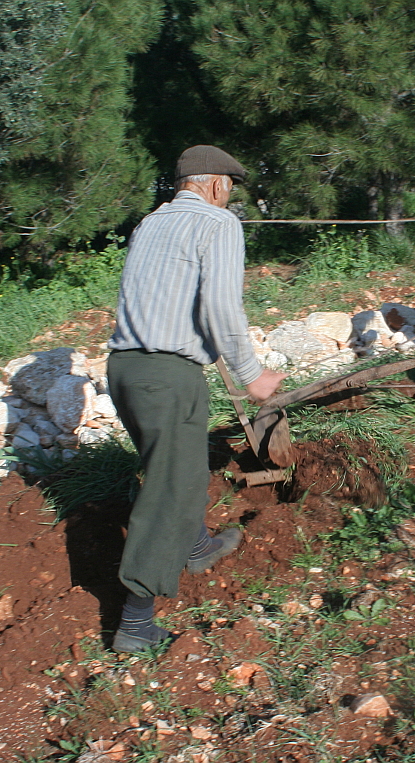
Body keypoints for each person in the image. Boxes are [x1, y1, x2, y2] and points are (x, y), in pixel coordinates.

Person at [107, 145, 286, 653]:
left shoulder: (151, 223)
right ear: (215, 185)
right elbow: (221, 309)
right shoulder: (219, 224)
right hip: (168, 376)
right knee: (173, 490)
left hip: (124, 369)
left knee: (174, 469)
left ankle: (197, 545)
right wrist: (251, 376)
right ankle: (136, 623)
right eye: (230, 188)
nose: (229, 197)